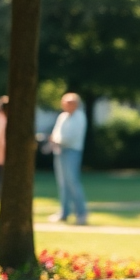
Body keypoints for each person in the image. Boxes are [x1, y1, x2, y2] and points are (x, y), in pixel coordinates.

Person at [48, 92, 89, 225]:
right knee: (63, 183)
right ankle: (64, 213)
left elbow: (71, 136)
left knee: (72, 182)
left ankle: (81, 213)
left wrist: (57, 140)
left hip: (72, 151)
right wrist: (54, 140)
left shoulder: (79, 117)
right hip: (60, 151)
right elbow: (56, 132)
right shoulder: (63, 117)